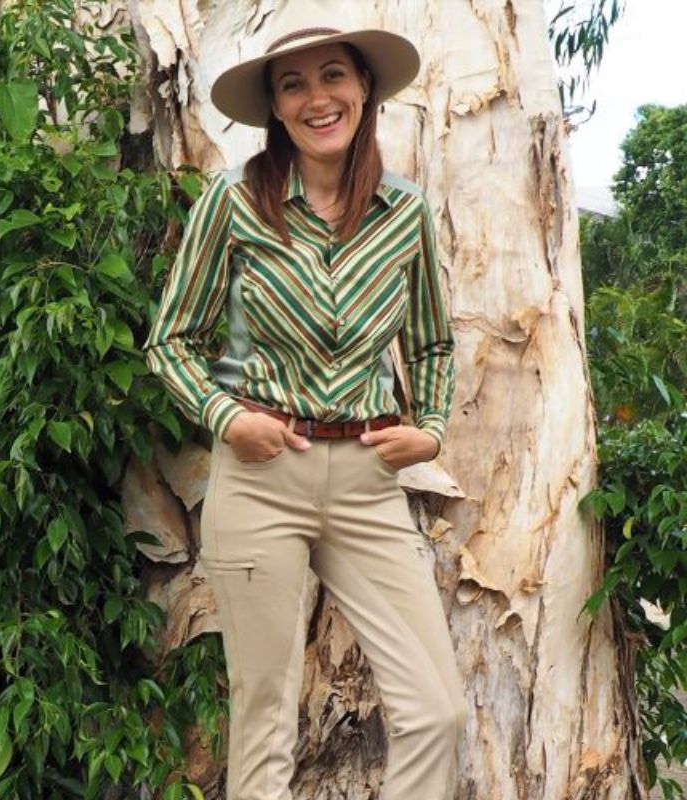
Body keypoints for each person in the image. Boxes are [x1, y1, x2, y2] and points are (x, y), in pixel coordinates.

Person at [145, 2, 467, 798]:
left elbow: (429, 342)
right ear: (276, 108)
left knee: (437, 711)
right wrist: (228, 417)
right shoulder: (233, 203)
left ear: (364, 87)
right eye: (293, 84)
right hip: (260, 478)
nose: (315, 98)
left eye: (332, 75)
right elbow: (171, 340)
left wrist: (426, 432)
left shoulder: (405, 215)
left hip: (366, 480)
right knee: (262, 715)